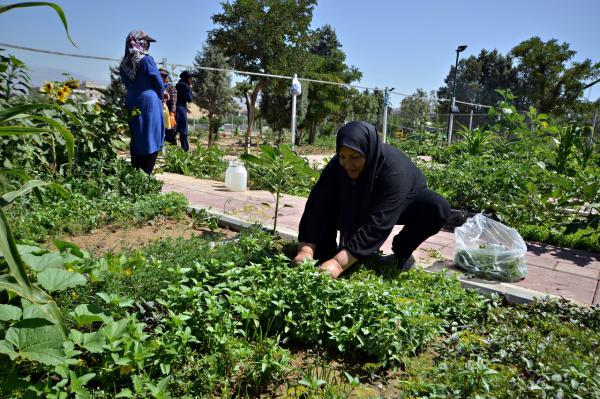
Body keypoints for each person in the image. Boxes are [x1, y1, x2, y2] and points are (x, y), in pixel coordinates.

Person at [294, 121, 451, 278]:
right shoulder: (338, 164)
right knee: (326, 201)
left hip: (396, 207)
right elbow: (317, 204)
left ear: (368, 152)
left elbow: (380, 221)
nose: (347, 164)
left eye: (355, 157)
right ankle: (325, 249)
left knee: (437, 207)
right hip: (358, 201)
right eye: (342, 156)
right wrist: (305, 249)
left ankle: (401, 252)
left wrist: (338, 264)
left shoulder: (395, 171)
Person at [119, 30, 164, 174]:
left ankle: (136, 173)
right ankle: (146, 174)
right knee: (152, 136)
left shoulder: (124, 64)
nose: (148, 46)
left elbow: (128, 85)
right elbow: (158, 82)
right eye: (147, 42)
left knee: (138, 136)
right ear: (140, 43)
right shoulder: (146, 60)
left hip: (133, 100)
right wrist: (162, 96)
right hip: (149, 102)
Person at [175, 70, 195, 152]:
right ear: (187, 78)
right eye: (191, 78)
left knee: (174, 130)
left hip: (177, 108)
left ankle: (172, 151)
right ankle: (185, 151)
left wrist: (186, 108)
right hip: (181, 110)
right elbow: (189, 99)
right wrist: (190, 88)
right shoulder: (186, 86)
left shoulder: (178, 84)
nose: (192, 80)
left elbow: (179, 98)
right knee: (184, 131)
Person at [159, 68, 177, 145]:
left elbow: (173, 102)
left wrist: (172, 115)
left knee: (169, 134)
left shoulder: (171, 87)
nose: (163, 77)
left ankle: (170, 152)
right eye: (161, 75)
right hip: (157, 113)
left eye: (164, 76)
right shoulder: (156, 86)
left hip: (167, 114)